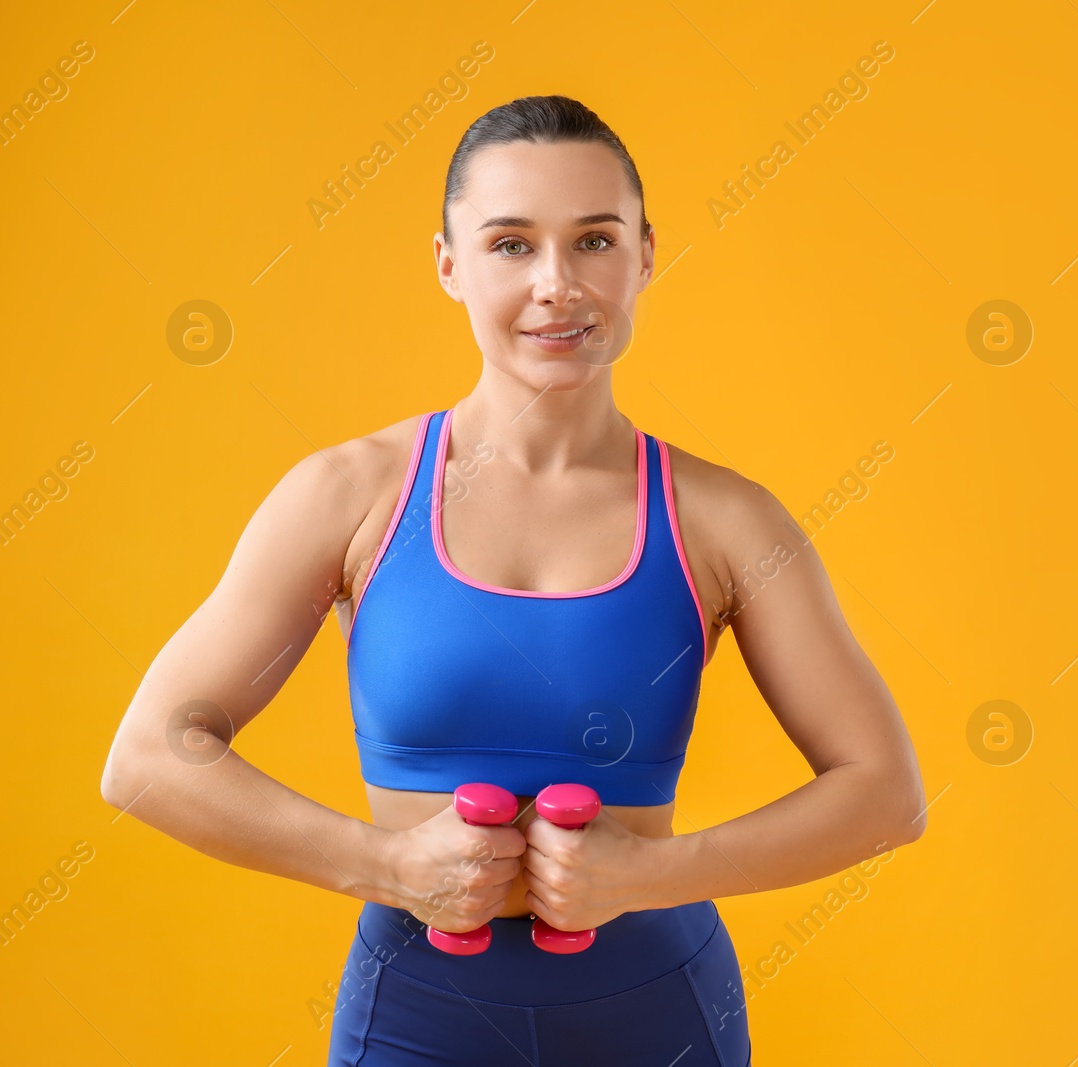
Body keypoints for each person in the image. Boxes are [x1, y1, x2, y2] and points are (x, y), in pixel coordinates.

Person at [98, 94, 927, 1065]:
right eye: (509, 244)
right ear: (447, 263)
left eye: (593, 241)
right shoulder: (349, 495)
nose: (556, 284)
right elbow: (149, 756)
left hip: (660, 1014)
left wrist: (646, 875)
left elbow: (885, 792)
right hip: (416, 1017)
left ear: (646, 255)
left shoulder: (726, 521)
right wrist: (393, 865)